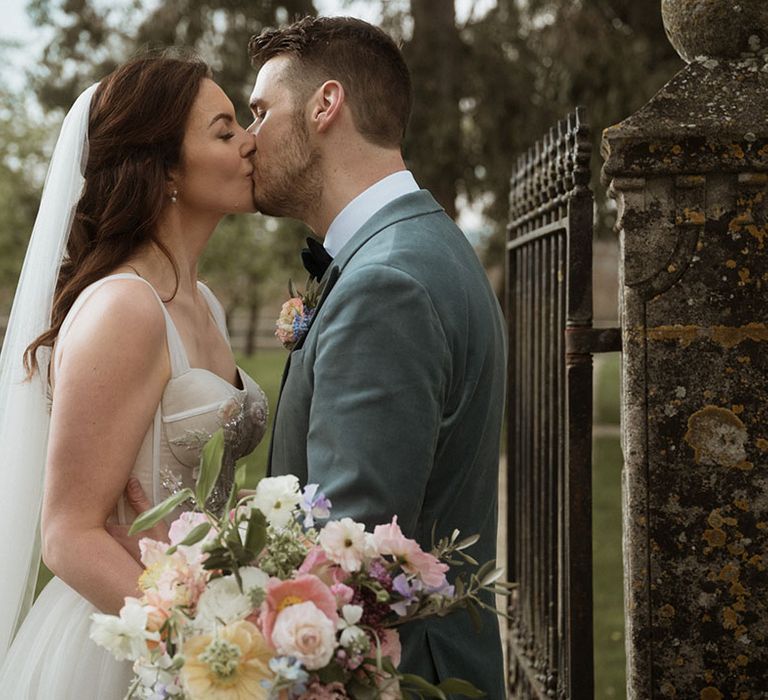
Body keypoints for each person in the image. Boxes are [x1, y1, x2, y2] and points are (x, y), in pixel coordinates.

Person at [248, 16, 507, 697]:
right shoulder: (418, 245)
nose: (248, 140)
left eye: (259, 112)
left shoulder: (385, 285)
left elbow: (349, 558)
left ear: (325, 105)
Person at [0, 53, 268, 698]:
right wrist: (199, 645)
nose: (251, 143)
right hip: (125, 637)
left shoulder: (204, 302)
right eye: (225, 131)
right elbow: (67, 535)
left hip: (207, 608)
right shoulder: (124, 308)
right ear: (167, 167)